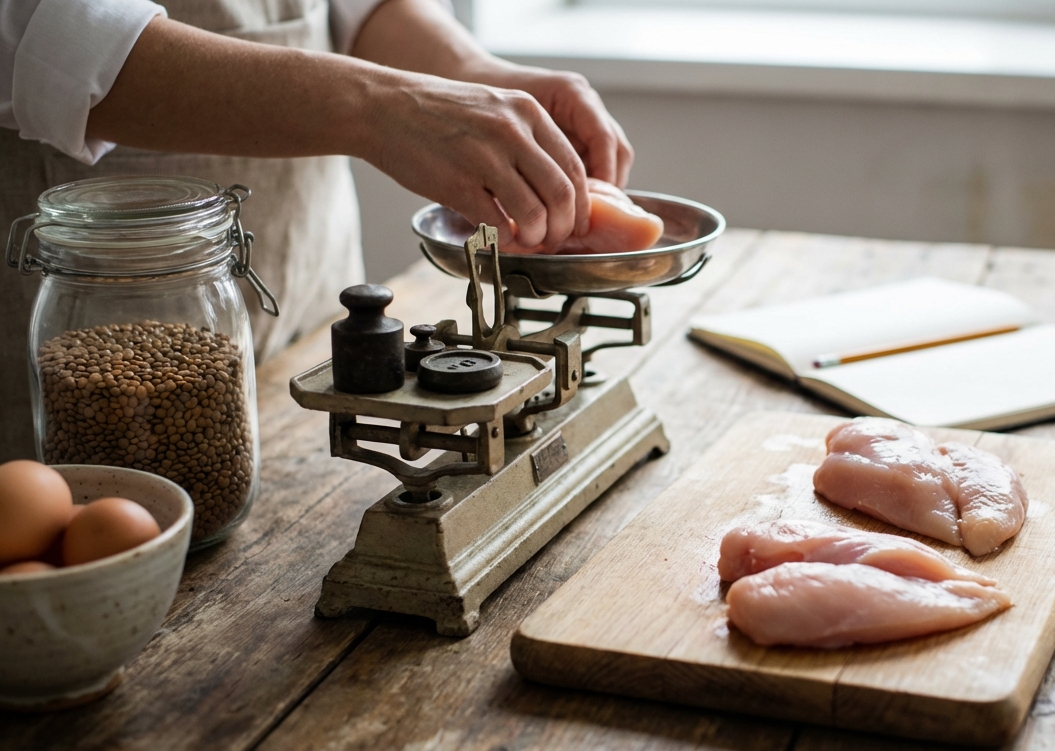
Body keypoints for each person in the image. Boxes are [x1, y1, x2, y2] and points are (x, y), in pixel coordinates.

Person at [0, 0, 634, 460]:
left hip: (311, 293)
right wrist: (385, 106)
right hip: (97, 313)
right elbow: (51, 40)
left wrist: (464, 69)